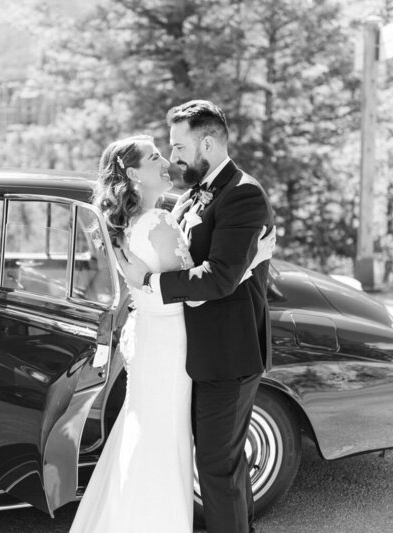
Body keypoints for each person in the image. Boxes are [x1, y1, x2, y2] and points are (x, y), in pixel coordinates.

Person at [69, 133, 274, 533]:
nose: (168, 159)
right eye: (156, 155)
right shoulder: (160, 219)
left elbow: (167, 283)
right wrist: (254, 260)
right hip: (170, 344)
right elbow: (197, 295)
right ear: (133, 174)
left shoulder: (143, 218)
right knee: (170, 447)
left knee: (160, 442)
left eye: (172, 148)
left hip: (156, 343)